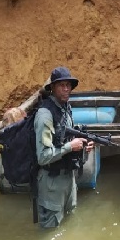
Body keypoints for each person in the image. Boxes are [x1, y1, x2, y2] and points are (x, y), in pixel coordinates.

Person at [35, 67, 93, 228]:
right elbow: (43, 156)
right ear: (52, 88)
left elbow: (66, 138)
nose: (66, 88)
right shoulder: (45, 115)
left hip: (68, 179)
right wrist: (70, 147)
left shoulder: (66, 108)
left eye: (68, 85)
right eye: (61, 85)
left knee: (70, 225)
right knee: (49, 233)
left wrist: (83, 146)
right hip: (51, 183)